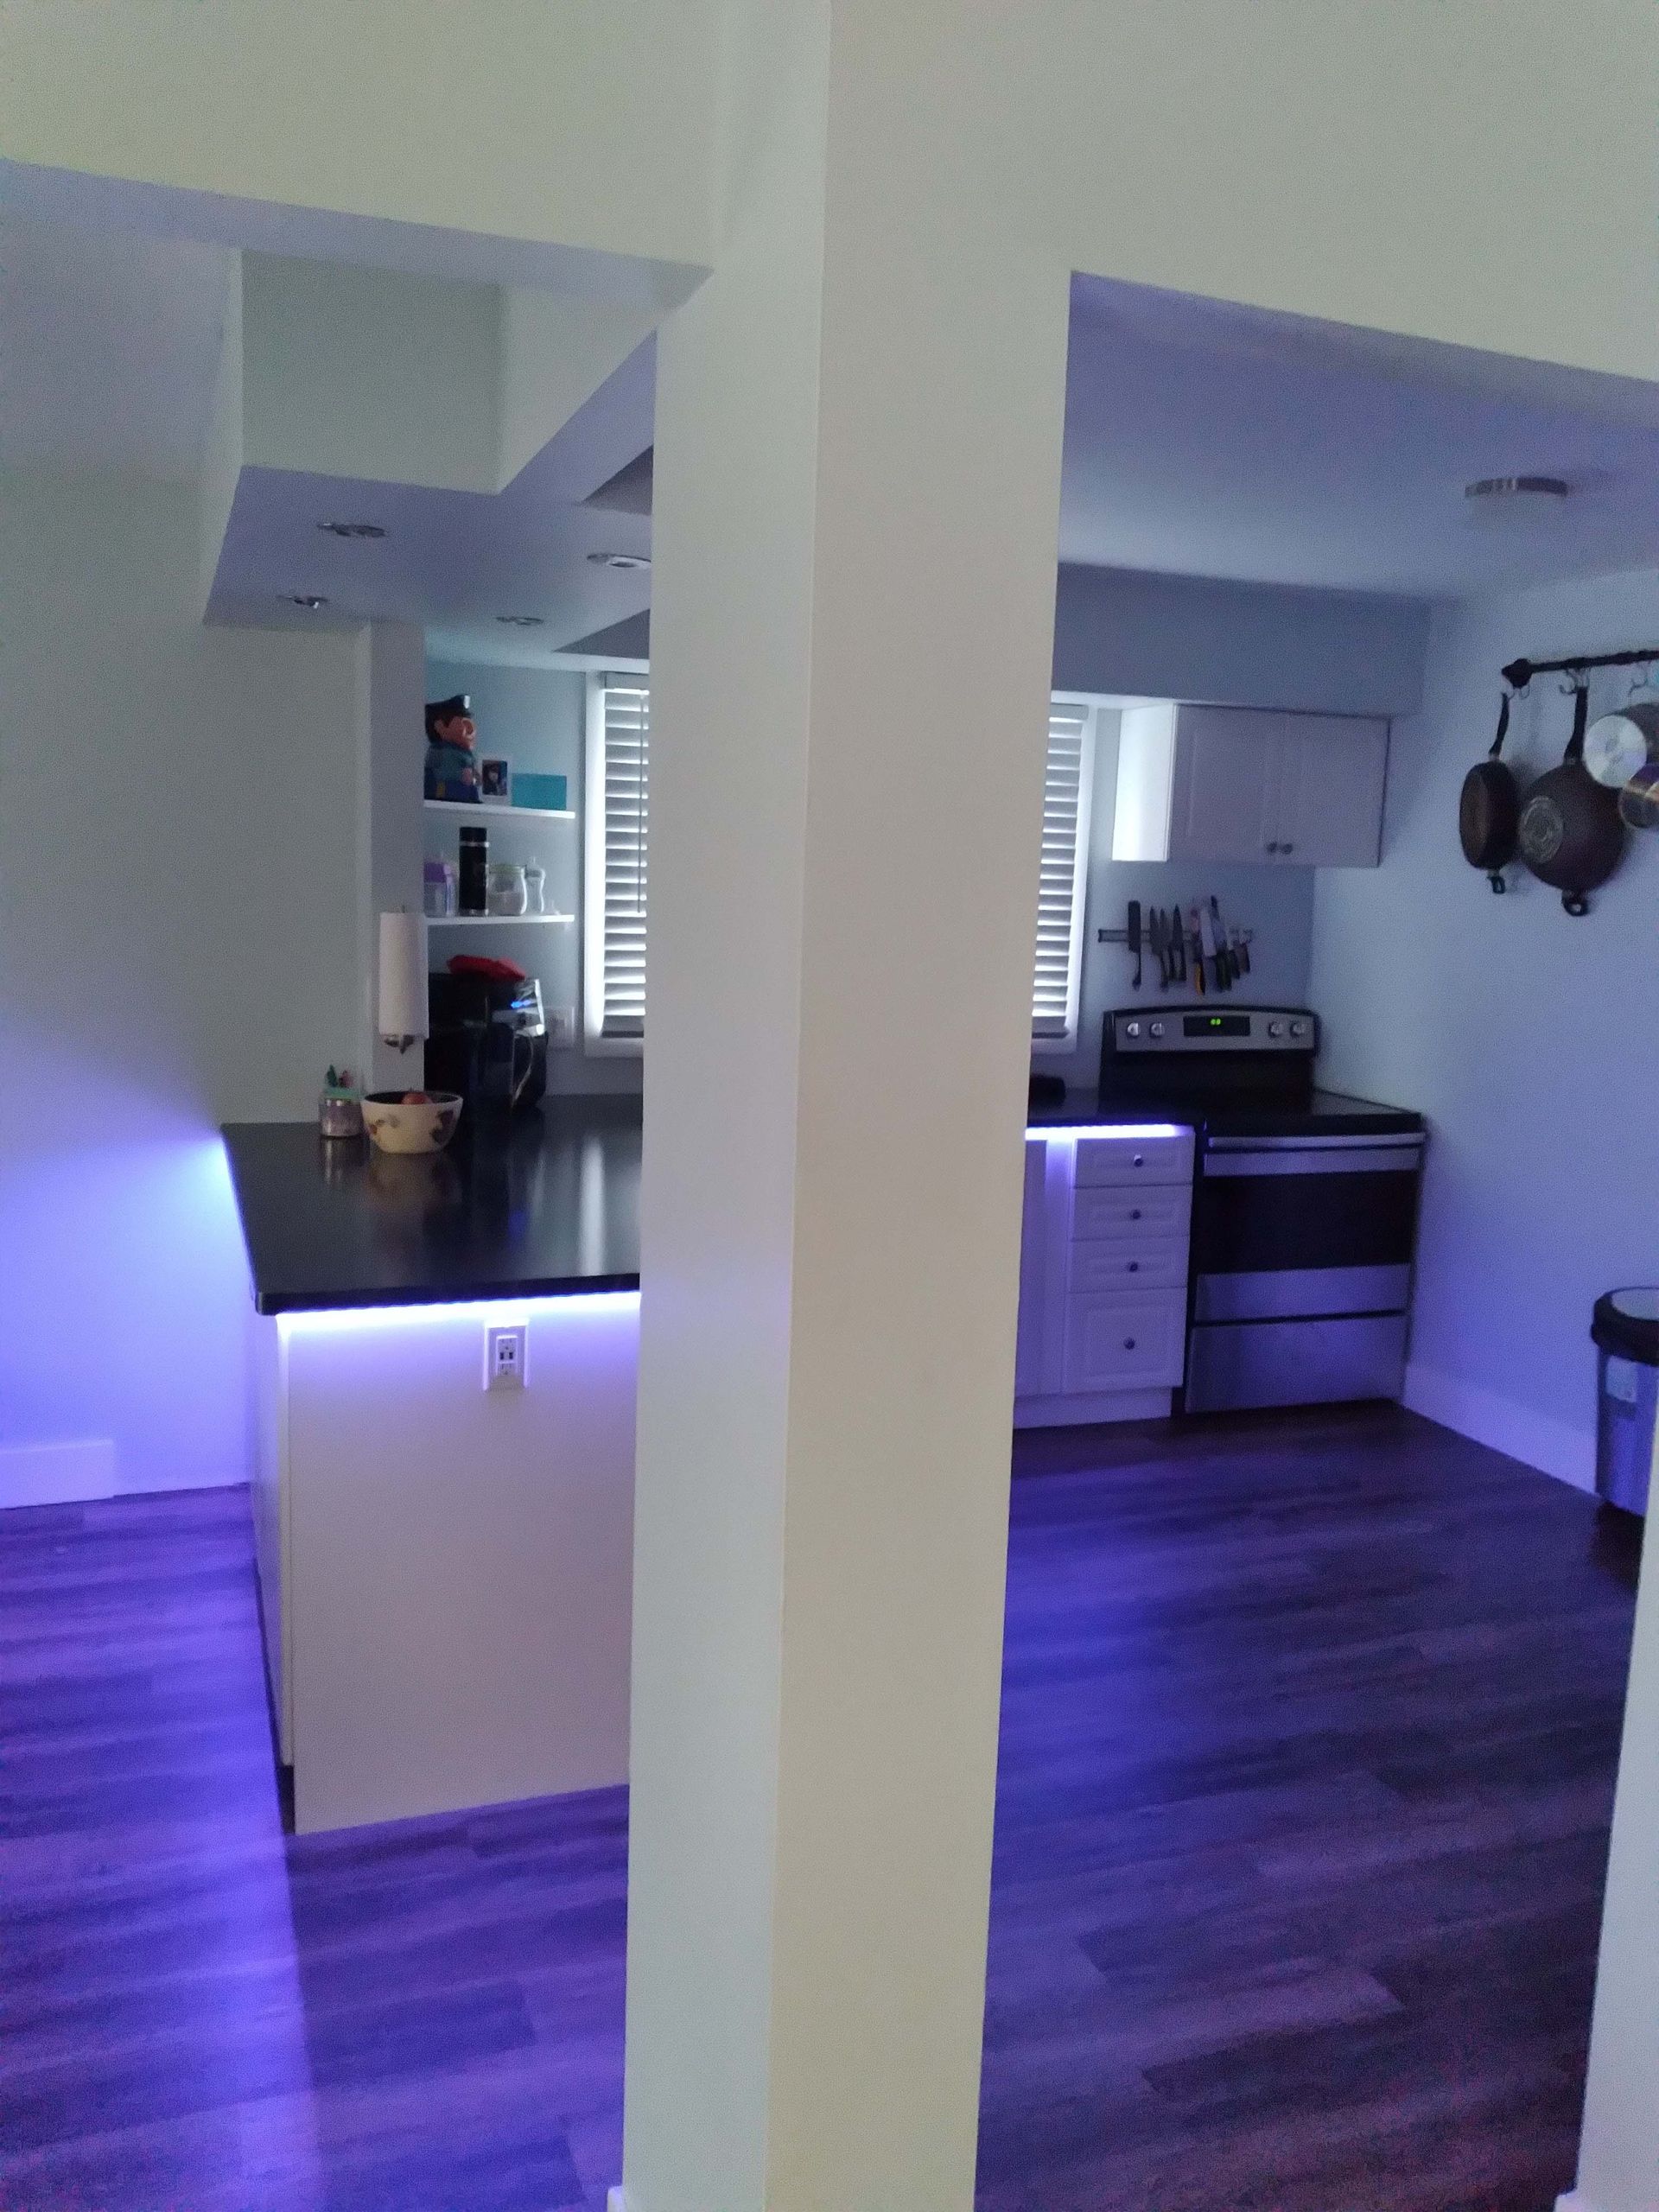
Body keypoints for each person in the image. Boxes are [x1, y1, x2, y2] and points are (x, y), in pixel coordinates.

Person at [424, 695, 480, 800]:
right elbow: (432, 773)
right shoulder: (437, 750)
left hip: (465, 799)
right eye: (464, 722)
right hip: (443, 797)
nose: (470, 729)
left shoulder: (466, 753)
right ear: (440, 726)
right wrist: (460, 775)